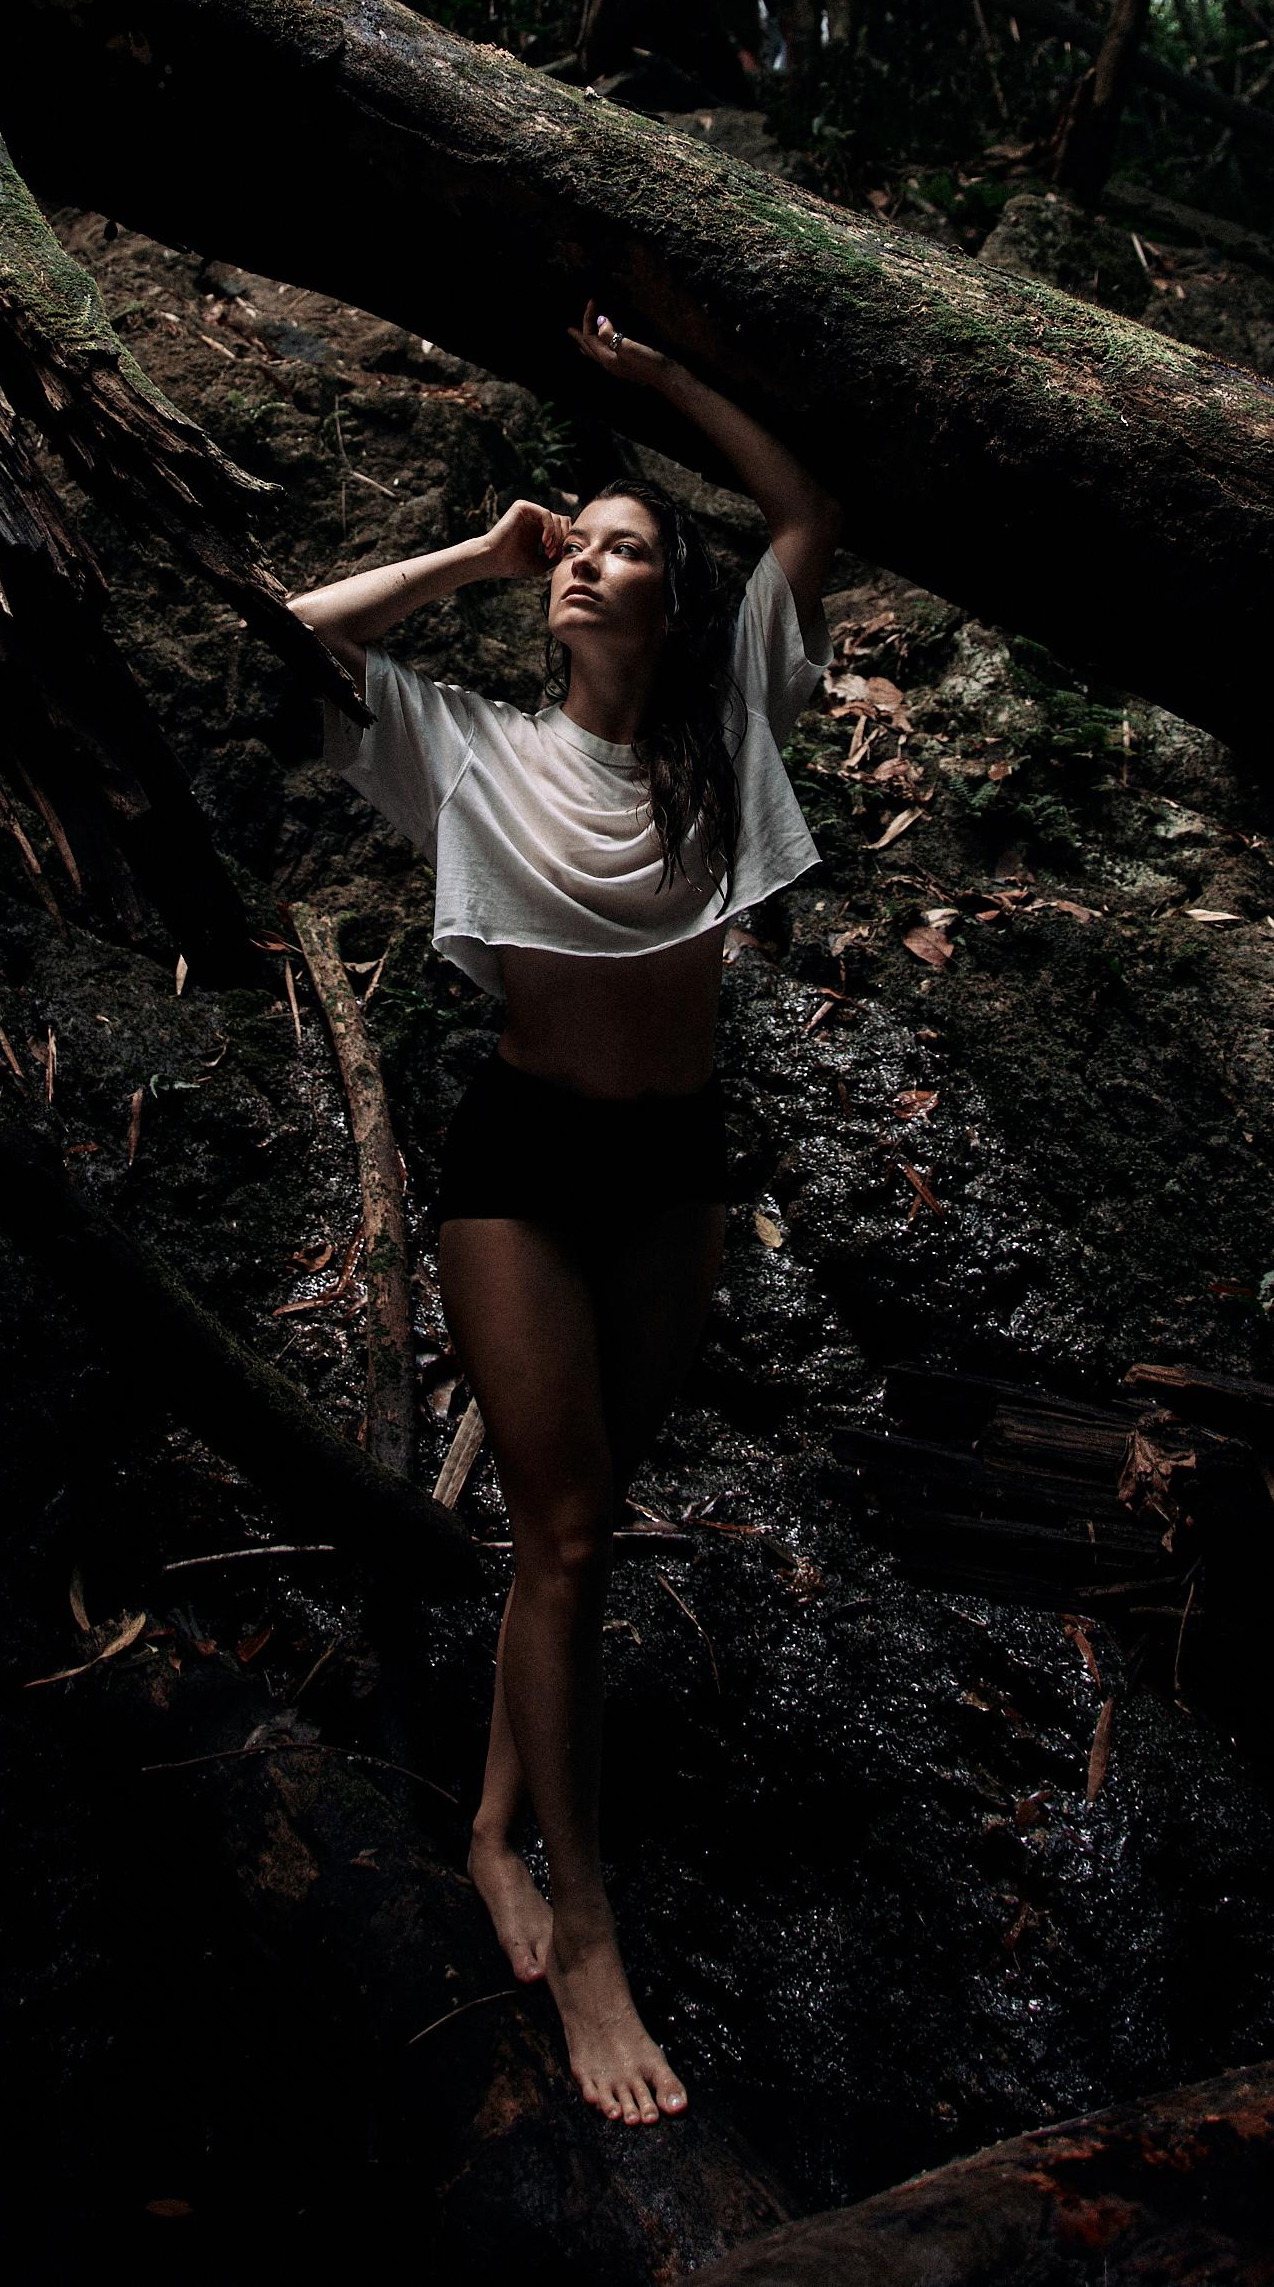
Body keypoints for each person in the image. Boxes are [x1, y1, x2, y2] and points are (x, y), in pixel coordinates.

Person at [288, 303, 841, 2128]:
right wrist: (476, 547)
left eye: (621, 550)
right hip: (520, 1164)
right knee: (575, 1527)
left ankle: (489, 1817)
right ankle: (583, 1929)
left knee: (573, 1527)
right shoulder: (467, 748)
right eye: (574, 545)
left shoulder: (721, 733)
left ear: (665, 604)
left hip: (674, 1170)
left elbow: (794, 518)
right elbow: (283, 645)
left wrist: (662, 393)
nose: (587, 565)